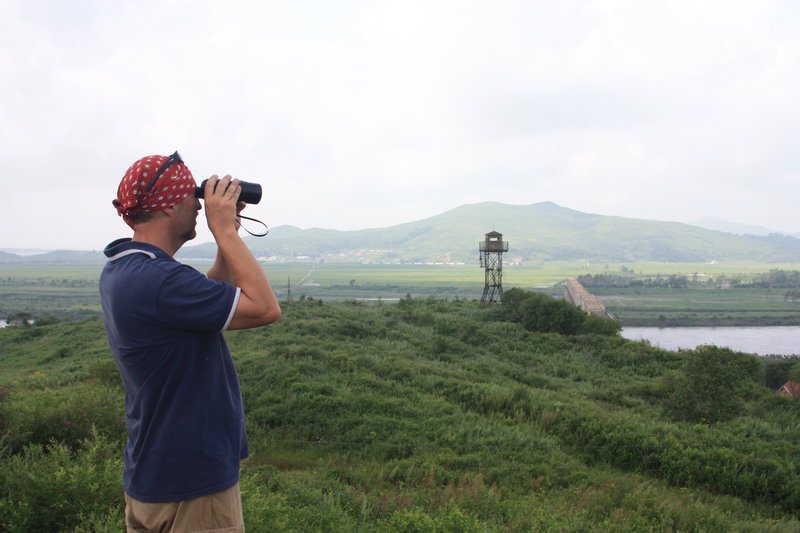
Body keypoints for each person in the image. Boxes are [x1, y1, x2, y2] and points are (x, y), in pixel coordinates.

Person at [99, 151, 281, 532]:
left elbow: (211, 292)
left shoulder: (124, 269)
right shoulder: (160, 280)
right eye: (190, 196)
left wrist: (225, 232)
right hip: (192, 482)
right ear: (167, 206)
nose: (198, 206)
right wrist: (226, 232)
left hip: (153, 473)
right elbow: (265, 308)